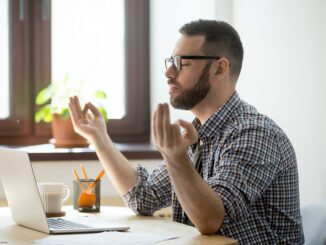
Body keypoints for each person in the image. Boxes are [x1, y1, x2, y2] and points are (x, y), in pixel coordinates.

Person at [68, 19, 304, 244]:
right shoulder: (197, 134)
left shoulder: (254, 134)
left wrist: (176, 158)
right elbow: (142, 197)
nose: (169, 72)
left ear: (219, 69)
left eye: (182, 63)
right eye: (170, 61)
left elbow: (211, 220)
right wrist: (99, 138)